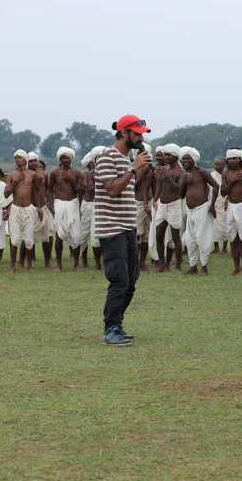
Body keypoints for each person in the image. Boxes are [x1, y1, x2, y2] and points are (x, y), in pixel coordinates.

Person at [94, 115, 152, 346]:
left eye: (142, 133)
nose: (141, 137)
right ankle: (111, 329)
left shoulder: (127, 159)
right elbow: (111, 190)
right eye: (137, 133)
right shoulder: (107, 157)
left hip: (128, 227)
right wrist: (134, 168)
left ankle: (117, 322)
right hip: (112, 228)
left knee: (131, 280)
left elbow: (128, 189)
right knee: (119, 280)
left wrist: (139, 170)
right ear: (124, 132)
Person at [180, 147, 218, 275]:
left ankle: (204, 266)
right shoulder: (184, 175)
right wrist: (184, 182)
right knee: (190, 239)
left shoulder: (202, 172)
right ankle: (193, 267)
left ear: (194, 159)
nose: (185, 161)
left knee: (203, 238)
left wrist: (212, 205)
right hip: (190, 210)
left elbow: (216, 185)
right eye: (183, 159)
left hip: (203, 209)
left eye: (187, 158)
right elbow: (181, 195)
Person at [4, 151, 40, 272]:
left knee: (29, 239)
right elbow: (6, 194)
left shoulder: (32, 174)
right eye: (16, 158)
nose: (17, 160)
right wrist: (15, 182)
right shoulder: (11, 175)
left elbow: (36, 191)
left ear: (25, 159)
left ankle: (29, 266)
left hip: (29, 209)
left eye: (19, 158)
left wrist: (38, 207)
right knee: (14, 239)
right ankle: (12, 266)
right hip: (15, 208)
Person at [49, 146, 82, 271]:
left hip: (73, 204)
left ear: (71, 159)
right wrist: (51, 205)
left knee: (76, 236)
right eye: (62, 158)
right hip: (59, 204)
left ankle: (76, 264)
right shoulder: (54, 173)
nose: (65, 160)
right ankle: (59, 264)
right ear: (60, 159)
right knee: (59, 235)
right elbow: (49, 190)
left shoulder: (77, 173)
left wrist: (71, 180)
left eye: (67, 157)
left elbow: (80, 191)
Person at [153, 143, 184, 271]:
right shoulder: (163, 169)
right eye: (165, 154)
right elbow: (159, 185)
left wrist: (167, 176)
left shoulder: (180, 172)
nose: (165, 157)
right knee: (159, 235)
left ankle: (177, 264)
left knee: (176, 237)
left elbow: (179, 189)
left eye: (168, 155)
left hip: (174, 205)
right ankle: (162, 264)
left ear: (175, 157)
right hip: (162, 205)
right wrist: (155, 199)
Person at [78, 147, 103, 270]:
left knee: (96, 237)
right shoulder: (86, 174)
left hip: (100, 206)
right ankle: (83, 261)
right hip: (87, 205)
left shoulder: (106, 173)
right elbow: (88, 189)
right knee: (83, 234)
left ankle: (99, 264)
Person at [29, 154, 54, 268]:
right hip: (29, 208)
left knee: (47, 236)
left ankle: (47, 262)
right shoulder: (25, 175)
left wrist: (49, 204)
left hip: (44, 207)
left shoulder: (44, 175)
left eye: (35, 161)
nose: (33, 163)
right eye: (31, 161)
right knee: (27, 236)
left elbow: (48, 190)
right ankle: (25, 261)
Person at [132, 143, 154, 271]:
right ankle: (134, 262)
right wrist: (142, 172)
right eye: (140, 153)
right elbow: (134, 186)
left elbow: (150, 187)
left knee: (146, 235)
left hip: (149, 202)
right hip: (137, 203)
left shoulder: (150, 167)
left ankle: (142, 263)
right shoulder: (133, 169)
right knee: (137, 234)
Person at [210, 157, 228, 254]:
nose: (216, 166)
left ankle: (225, 248)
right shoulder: (212, 175)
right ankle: (216, 247)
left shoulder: (228, 174)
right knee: (214, 226)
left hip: (225, 203)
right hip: (214, 203)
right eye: (215, 164)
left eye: (218, 164)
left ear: (224, 164)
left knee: (225, 225)